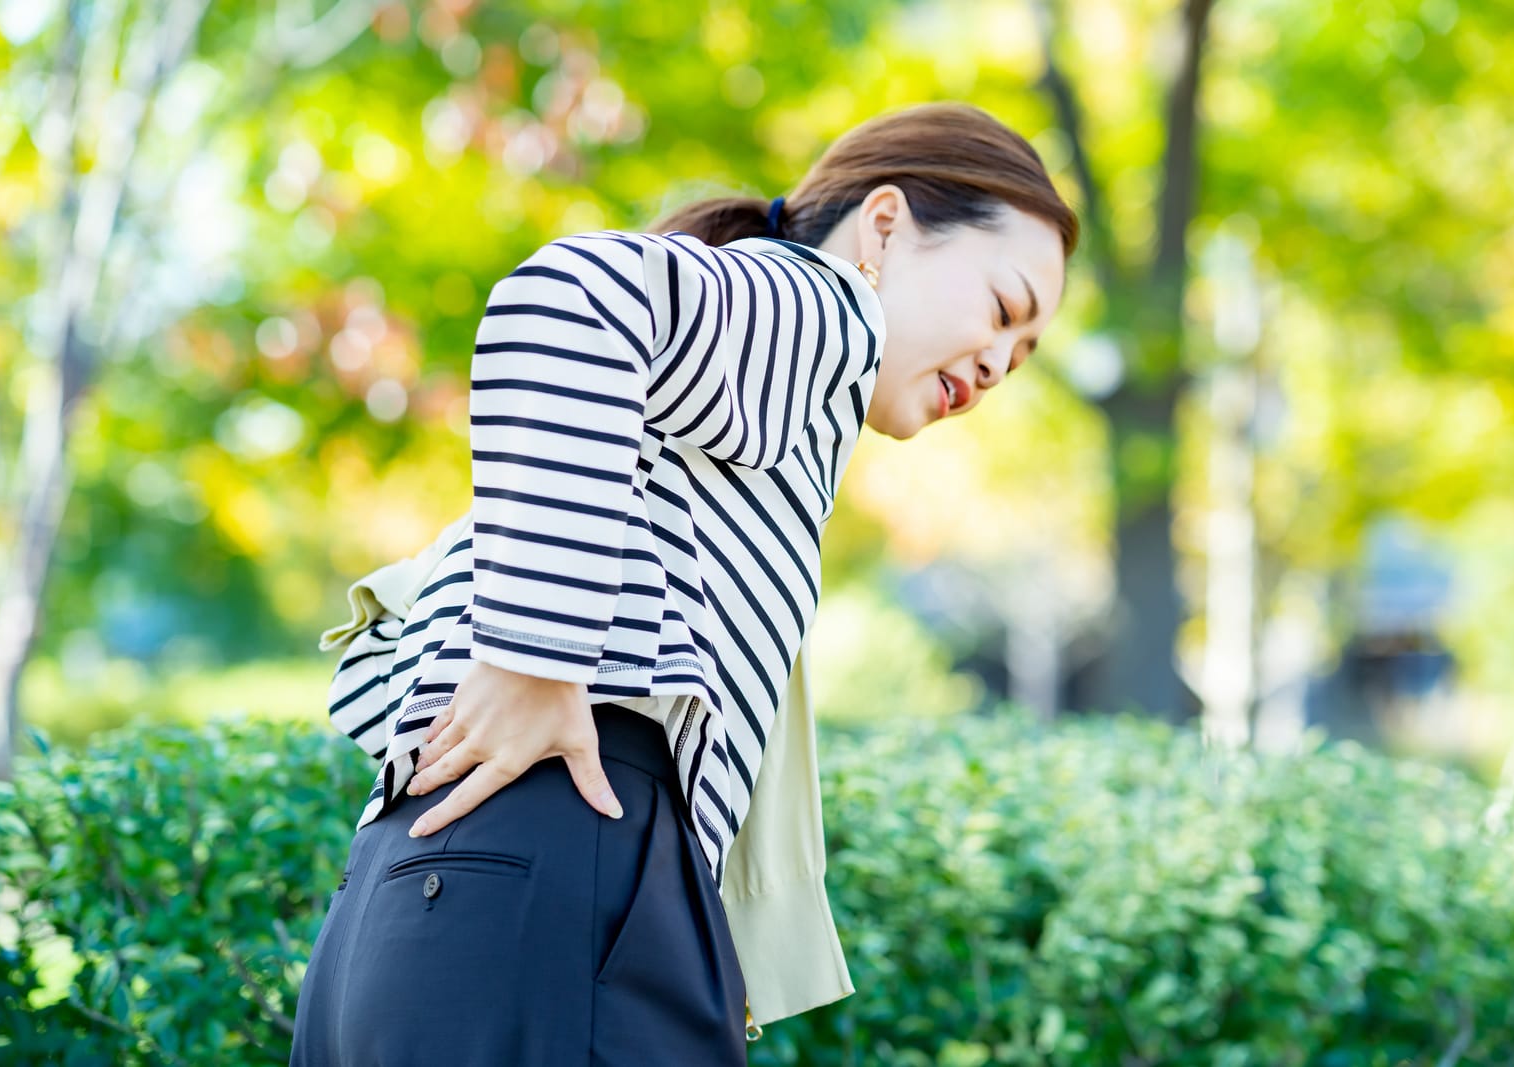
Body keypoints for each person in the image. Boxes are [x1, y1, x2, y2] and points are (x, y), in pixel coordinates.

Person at [290, 100, 1078, 1066]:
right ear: (885, 226)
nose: (1001, 364)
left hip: (439, 892)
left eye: (1027, 355)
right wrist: (535, 658)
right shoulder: (821, 308)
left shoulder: (765, 395)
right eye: (1004, 309)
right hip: (554, 864)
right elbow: (568, 296)